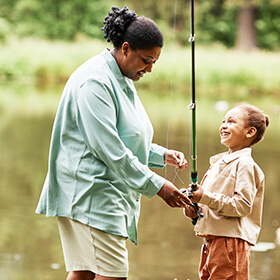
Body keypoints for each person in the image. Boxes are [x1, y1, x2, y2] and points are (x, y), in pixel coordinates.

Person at [35, 6, 190, 280]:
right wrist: (159, 186)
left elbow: (125, 135)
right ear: (126, 48)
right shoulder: (95, 81)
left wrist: (160, 155)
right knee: (113, 274)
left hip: (102, 191)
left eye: (155, 61)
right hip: (89, 192)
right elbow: (111, 151)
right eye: (146, 60)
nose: (150, 69)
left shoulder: (122, 76)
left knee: (83, 273)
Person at [183, 103, 269, 280]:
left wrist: (205, 196)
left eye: (231, 121)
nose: (224, 125)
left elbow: (242, 206)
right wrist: (194, 209)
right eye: (223, 121)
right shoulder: (218, 163)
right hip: (211, 240)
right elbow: (210, 203)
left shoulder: (245, 165)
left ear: (250, 132)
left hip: (230, 243)